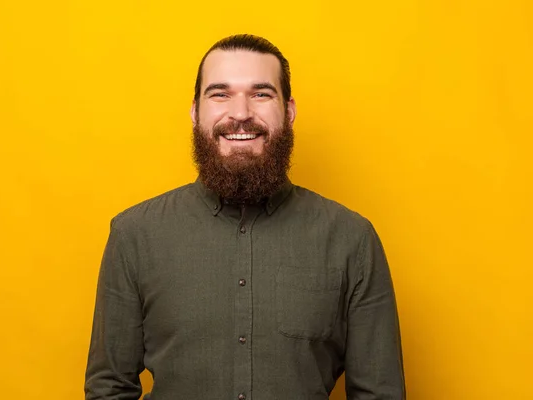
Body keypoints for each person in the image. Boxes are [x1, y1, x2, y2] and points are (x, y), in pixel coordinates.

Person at [84, 34, 406, 400]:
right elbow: (108, 389)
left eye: (261, 94)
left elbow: (380, 393)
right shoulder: (134, 235)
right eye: (220, 94)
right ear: (195, 112)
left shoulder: (352, 240)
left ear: (289, 111)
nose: (240, 113)